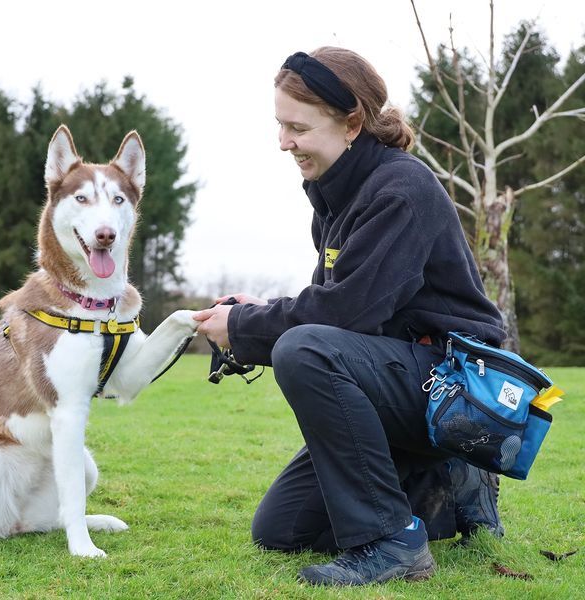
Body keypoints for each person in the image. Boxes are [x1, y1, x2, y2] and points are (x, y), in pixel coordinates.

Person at [193, 47, 506, 586]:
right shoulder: (339, 197)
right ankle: (447, 484)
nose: (284, 142)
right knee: (281, 530)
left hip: (461, 386)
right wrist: (256, 313)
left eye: (298, 127)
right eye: (279, 125)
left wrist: (244, 330)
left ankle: (393, 541)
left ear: (352, 123)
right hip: (406, 377)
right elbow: (335, 303)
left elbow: (344, 315)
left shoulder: (400, 190)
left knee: (303, 350)